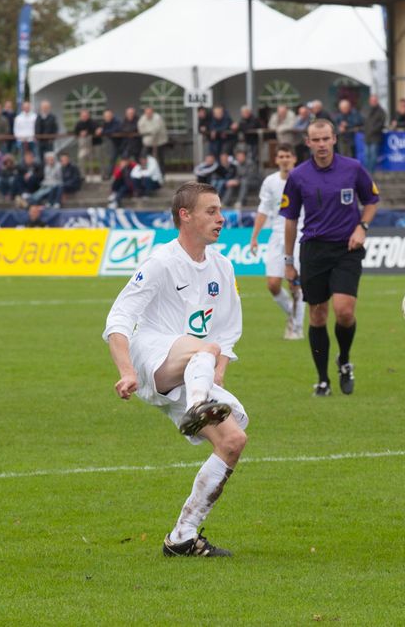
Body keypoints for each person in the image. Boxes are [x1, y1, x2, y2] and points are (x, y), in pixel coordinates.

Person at [104, 181, 250, 558]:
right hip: (154, 357)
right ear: (185, 215)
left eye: (220, 211)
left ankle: (183, 536)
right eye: (211, 211)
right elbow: (119, 318)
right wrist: (126, 371)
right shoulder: (161, 262)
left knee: (233, 442)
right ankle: (199, 405)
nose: (221, 218)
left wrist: (217, 370)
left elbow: (229, 330)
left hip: (194, 369)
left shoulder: (222, 266)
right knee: (205, 348)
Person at [280, 119, 379, 397]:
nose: (321, 144)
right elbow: (290, 220)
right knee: (318, 315)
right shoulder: (298, 176)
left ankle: (344, 360)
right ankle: (323, 380)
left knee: (345, 311)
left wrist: (363, 227)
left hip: (347, 250)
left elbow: (372, 201)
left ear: (334, 138)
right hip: (313, 250)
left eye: (326, 139)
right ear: (308, 142)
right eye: (316, 140)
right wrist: (288, 262)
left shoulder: (353, 169)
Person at [250, 143, 304, 340]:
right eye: (281, 156)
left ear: (294, 159)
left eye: (287, 156)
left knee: (294, 283)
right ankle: (293, 312)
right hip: (276, 237)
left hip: (299, 236)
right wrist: (254, 237)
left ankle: (296, 328)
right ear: (276, 160)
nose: (284, 160)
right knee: (273, 284)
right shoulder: (270, 182)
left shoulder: (303, 179)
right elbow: (263, 210)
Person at [362, 94, 387, 173]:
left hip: (375, 136)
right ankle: (367, 172)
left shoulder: (381, 111)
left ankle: (370, 172)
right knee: (366, 155)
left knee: (373, 155)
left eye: (374, 100)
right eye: (371, 100)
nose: (373, 102)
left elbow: (381, 123)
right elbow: (364, 122)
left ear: (377, 101)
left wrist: (372, 130)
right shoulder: (367, 110)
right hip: (367, 137)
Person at [73, 109, 99, 178]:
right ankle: (82, 175)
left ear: (88, 115)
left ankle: (91, 176)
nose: (84, 117)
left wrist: (87, 133)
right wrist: (80, 133)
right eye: (83, 116)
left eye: (85, 115)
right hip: (83, 146)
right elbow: (75, 133)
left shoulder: (93, 122)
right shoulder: (78, 123)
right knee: (81, 159)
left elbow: (96, 130)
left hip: (92, 145)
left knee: (91, 161)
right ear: (80, 116)